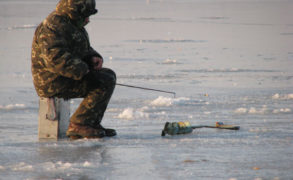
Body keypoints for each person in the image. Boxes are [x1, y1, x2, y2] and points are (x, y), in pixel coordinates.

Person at [31, 0, 116, 139]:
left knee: (107, 75)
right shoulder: (52, 27)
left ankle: (90, 123)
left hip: (66, 76)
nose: (88, 20)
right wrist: (83, 70)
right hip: (52, 81)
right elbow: (55, 58)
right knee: (104, 81)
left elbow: (81, 48)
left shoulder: (72, 24)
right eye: (85, 16)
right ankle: (79, 124)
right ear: (74, 12)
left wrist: (92, 57)